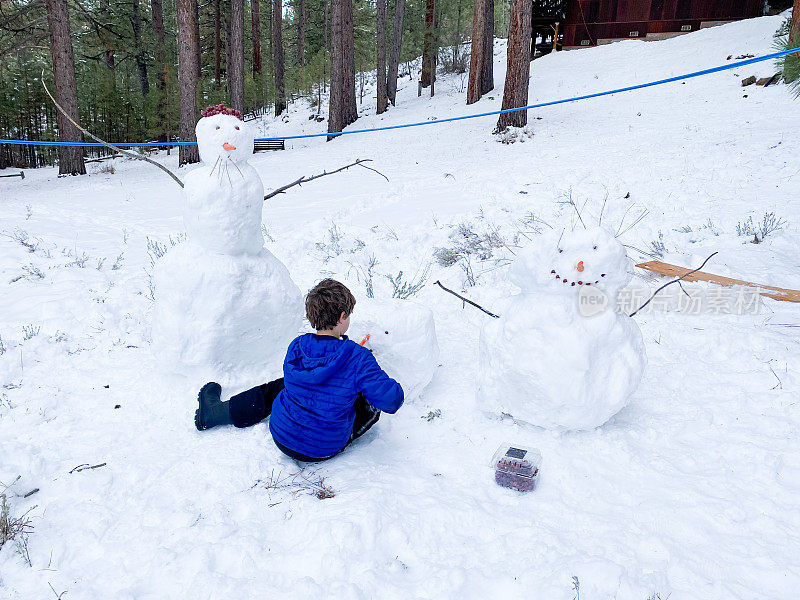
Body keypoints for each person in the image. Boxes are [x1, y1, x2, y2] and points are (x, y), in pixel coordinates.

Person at [194, 279, 404, 462]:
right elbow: (391, 401)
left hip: (282, 436)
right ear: (341, 317)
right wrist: (370, 372)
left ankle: (217, 413)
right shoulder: (359, 358)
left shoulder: (298, 346)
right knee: (363, 395)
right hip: (323, 448)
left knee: (284, 385)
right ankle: (334, 432)